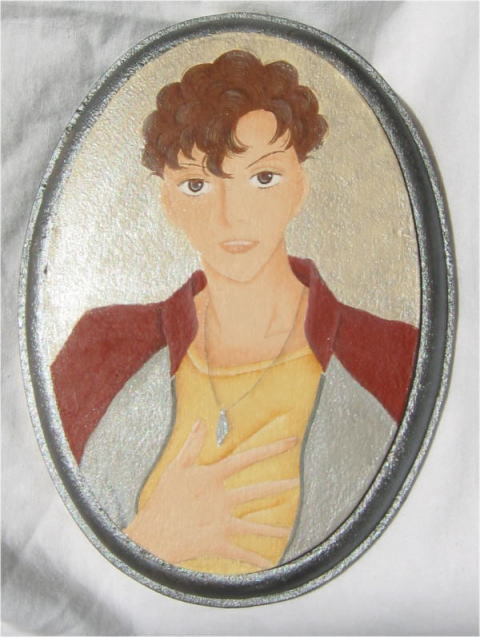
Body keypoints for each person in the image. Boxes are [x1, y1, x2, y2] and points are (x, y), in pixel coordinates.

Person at [51, 50, 418, 575]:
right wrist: (153, 539)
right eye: (197, 184)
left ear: (300, 186)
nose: (231, 215)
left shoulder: (391, 352)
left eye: (263, 177)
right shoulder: (101, 347)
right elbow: (50, 551)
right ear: (168, 201)